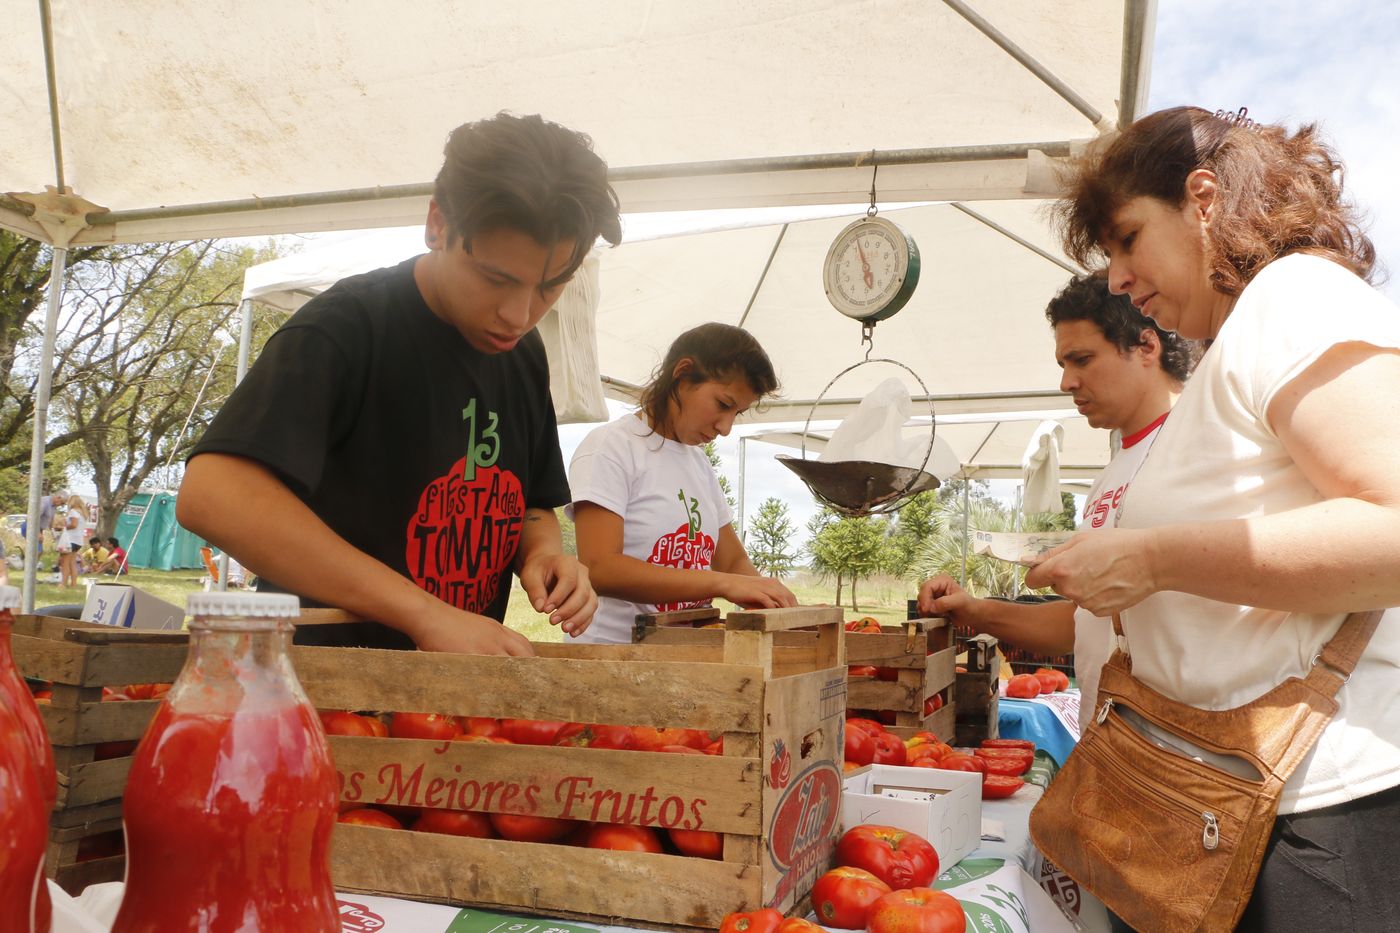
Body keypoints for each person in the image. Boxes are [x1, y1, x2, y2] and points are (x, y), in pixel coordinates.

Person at [1022, 106, 1400, 928]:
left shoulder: (1293, 296)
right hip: (1226, 806)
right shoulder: (1236, 344)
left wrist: (1152, 560)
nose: (1118, 278)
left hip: (1305, 818)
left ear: (1202, 199)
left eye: (1127, 239)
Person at [178, 112, 622, 656]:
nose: (518, 313)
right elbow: (213, 495)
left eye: (550, 289)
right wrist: (423, 615)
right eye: (495, 279)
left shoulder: (525, 355)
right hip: (324, 688)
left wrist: (544, 554)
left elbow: (532, 502)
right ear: (437, 222)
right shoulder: (345, 329)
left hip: (446, 701)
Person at [918, 274, 1193, 734]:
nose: (1067, 381)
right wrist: (973, 610)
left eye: (1082, 359)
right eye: (1063, 363)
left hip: (1187, 756)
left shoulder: (1200, 445)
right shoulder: (1113, 471)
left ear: (1147, 347)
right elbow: (1084, 624)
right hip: (1114, 747)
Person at [569, 323, 798, 643]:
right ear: (683, 374)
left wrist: (779, 605)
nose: (726, 427)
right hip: (614, 660)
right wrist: (720, 583)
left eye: (738, 413)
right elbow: (600, 567)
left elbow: (731, 561)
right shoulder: (611, 448)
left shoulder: (699, 464)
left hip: (683, 659)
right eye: (723, 404)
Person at [57, 494, 87, 588]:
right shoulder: (83, 514)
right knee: (72, 563)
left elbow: (74, 525)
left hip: (70, 540)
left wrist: (62, 527)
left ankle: (63, 584)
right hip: (78, 541)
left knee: (65, 563)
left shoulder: (73, 512)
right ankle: (73, 584)